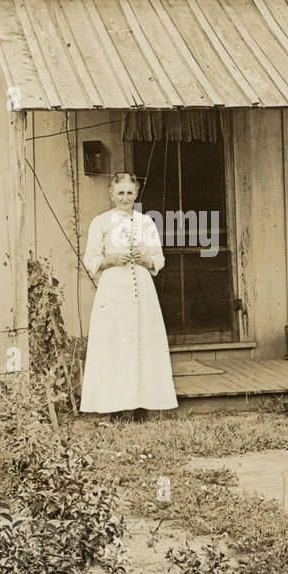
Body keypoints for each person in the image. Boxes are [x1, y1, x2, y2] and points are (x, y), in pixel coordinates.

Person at [79, 172, 178, 416]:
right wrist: (110, 259)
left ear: (136, 194)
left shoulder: (146, 222)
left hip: (142, 291)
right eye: (120, 193)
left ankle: (141, 407)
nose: (125, 198)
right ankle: (113, 408)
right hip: (113, 290)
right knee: (114, 344)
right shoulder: (100, 222)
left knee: (142, 344)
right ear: (111, 194)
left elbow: (159, 258)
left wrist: (145, 259)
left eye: (129, 193)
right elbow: (90, 259)